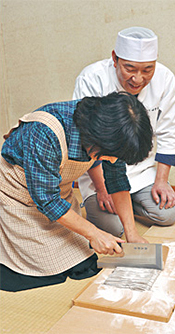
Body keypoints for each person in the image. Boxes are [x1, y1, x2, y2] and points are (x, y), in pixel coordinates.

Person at [0, 92, 153, 292]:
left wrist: (132, 233)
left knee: (85, 267)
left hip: (58, 198)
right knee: (39, 274)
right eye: (112, 156)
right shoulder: (44, 132)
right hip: (19, 196)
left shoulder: (114, 133)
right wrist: (95, 234)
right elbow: (47, 201)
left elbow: (117, 182)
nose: (114, 161)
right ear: (97, 138)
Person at [73, 27, 175, 237]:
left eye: (147, 70)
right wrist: (103, 189)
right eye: (129, 69)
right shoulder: (92, 78)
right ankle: (120, 204)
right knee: (114, 229)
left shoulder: (165, 78)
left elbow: (170, 130)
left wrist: (161, 181)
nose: (138, 79)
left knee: (168, 215)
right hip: (102, 169)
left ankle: (128, 201)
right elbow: (87, 141)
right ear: (115, 58)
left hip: (141, 169)